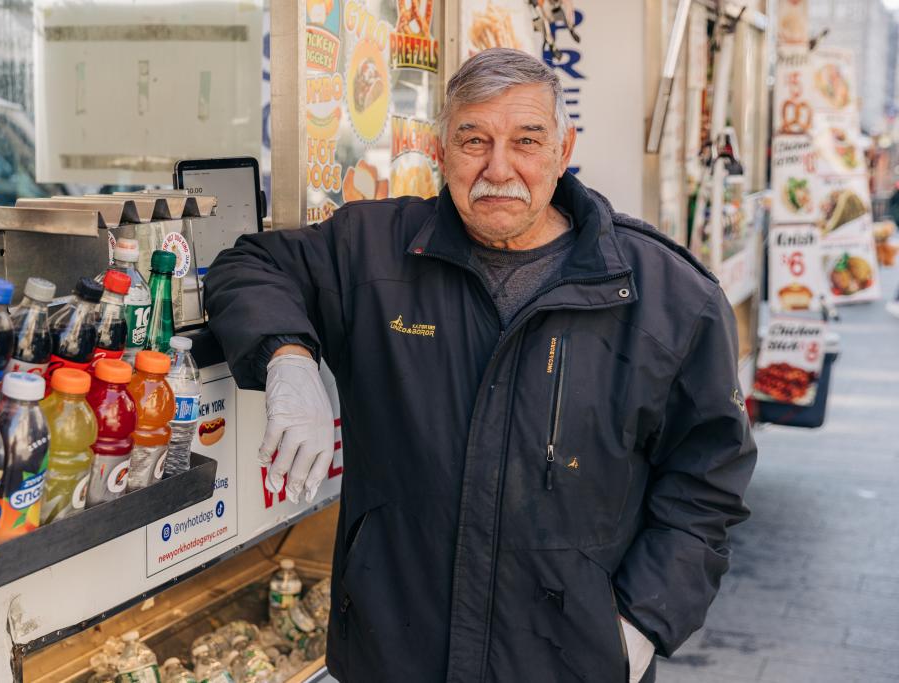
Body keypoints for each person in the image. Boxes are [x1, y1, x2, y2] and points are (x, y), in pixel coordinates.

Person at [206, 48, 757, 683]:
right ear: (440, 150)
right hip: (392, 656)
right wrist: (288, 358)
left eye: (527, 141)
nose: (499, 168)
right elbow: (248, 264)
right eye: (474, 140)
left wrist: (642, 624)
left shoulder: (668, 295)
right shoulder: (373, 248)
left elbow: (707, 484)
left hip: (568, 663)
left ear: (563, 148)